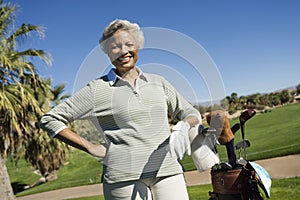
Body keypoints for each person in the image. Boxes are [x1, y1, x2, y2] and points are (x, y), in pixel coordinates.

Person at [40, 19, 202, 200]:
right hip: (123, 178)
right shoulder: (97, 89)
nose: (124, 51)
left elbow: (192, 113)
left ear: (138, 46)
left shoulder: (158, 82)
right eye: (115, 47)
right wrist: (91, 147)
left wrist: (184, 126)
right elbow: (50, 119)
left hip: (168, 170)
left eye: (129, 44)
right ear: (108, 52)